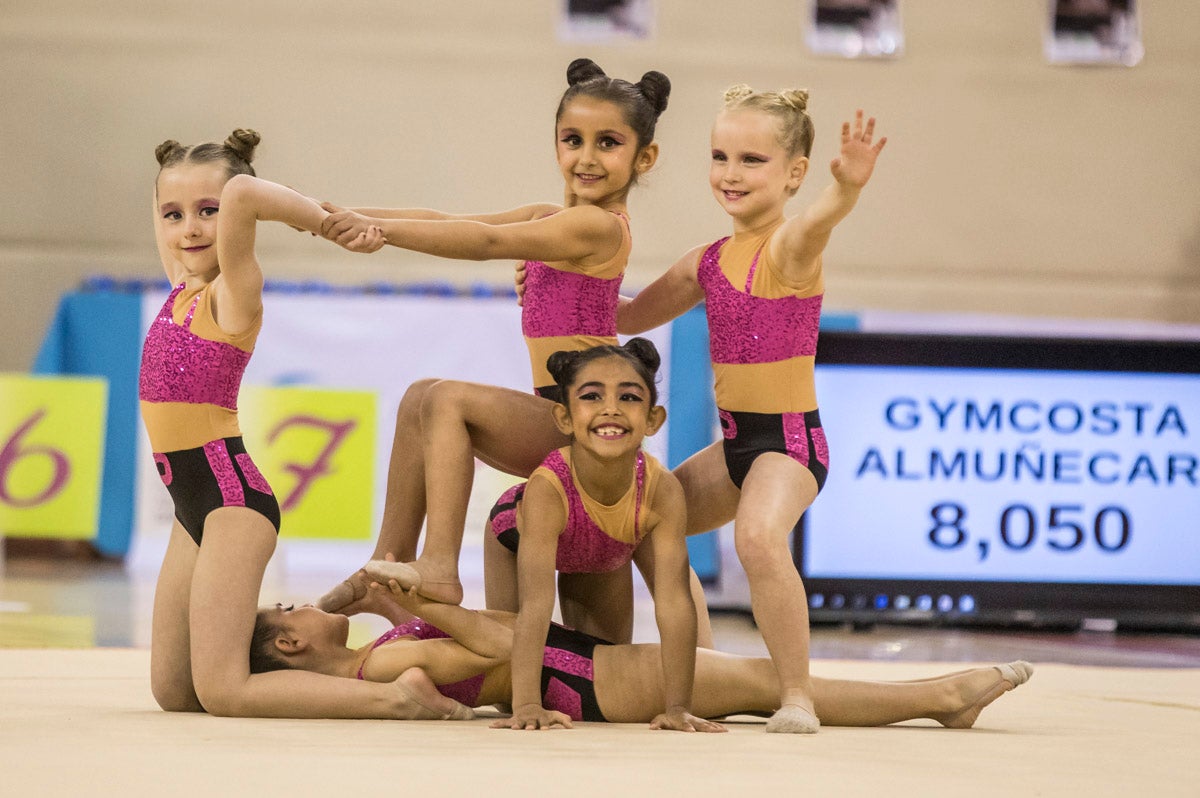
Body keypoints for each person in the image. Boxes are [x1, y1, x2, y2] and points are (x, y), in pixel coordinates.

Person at [315, 59, 687, 645]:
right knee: (419, 397)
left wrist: (381, 233)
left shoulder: (599, 227)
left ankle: (439, 569)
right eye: (573, 140)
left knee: (447, 400)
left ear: (644, 158)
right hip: (557, 412)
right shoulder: (551, 216)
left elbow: (487, 242)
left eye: (608, 143)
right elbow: (453, 220)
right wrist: (354, 218)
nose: (586, 157)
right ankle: (388, 564)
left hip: (586, 430)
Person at [144, 129, 470, 721]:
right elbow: (216, 201)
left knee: (223, 692)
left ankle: (395, 698)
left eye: (207, 212)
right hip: (188, 508)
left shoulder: (232, 293)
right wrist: (180, 189)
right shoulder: (180, 286)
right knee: (176, 691)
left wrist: (324, 224)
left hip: (230, 506)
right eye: (174, 214)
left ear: (238, 217)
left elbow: (243, 191)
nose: (189, 229)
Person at [612, 87, 889, 733]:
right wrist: (555, 278)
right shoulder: (706, 261)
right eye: (720, 156)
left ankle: (797, 695)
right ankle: (704, 670)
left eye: (752, 160)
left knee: (759, 539)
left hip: (790, 446)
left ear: (795, 173)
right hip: (736, 445)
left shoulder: (788, 249)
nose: (731, 174)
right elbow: (623, 317)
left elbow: (817, 224)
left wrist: (845, 190)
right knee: (649, 524)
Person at [371, 339, 714, 730]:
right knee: (510, 679)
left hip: (601, 554)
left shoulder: (663, 489)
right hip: (514, 539)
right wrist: (528, 706)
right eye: (592, 396)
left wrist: (678, 707)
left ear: (653, 419)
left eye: (630, 397)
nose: (611, 408)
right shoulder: (549, 486)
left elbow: (674, 604)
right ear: (564, 419)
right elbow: (536, 605)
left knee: (601, 676)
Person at [250, 578, 1034, 731]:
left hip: (584, 672)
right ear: (290, 644)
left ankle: (939, 696)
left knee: (754, 680)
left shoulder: (374, 657)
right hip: (590, 682)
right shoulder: (382, 669)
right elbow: (499, 643)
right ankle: (941, 696)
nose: (303, 600)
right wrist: (426, 607)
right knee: (766, 683)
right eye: (290, 608)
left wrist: (388, 598)